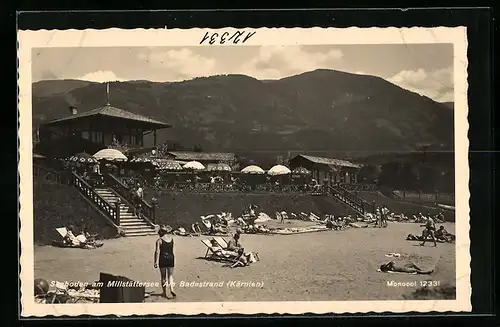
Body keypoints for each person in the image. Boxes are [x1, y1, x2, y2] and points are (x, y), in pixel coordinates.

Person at [153, 225, 176, 298]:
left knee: (163, 277)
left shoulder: (159, 241)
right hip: (171, 258)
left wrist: (155, 262)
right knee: (170, 276)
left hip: (163, 259)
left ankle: (164, 293)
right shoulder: (171, 239)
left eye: (159, 232)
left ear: (161, 232)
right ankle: (172, 289)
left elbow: (157, 252)